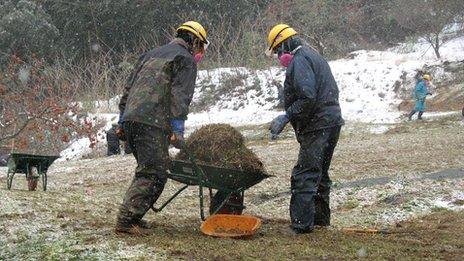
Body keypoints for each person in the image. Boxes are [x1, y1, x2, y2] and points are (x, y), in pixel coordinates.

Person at [115, 21, 209, 234]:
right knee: (154, 172)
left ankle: (134, 216)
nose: (199, 52)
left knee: (150, 169)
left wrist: (122, 120)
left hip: (132, 119)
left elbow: (129, 89)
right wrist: (177, 129)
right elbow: (180, 96)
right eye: (200, 46)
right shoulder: (184, 59)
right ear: (193, 40)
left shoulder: (150, 54)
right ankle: (126, 220)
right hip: (152, 121)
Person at [266, 24, 344, 234]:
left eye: (277, 51)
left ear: (285, 44)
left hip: (318, 124)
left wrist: (287, 115)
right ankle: (319, 220)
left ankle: (301, 225)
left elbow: (307, 97)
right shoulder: (315, 57)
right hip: (332, 121)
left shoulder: (299, 61)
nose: (278, 56)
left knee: (305, 173)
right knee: (320, 172)